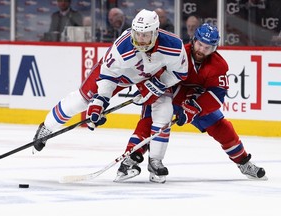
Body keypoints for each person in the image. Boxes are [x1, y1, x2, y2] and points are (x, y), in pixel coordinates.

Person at [33, 9, 189, 183]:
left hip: (152, 77)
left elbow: (180, 73)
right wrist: (99, 103)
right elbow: (107, 77)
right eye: (137, 34)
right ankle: (46, 127)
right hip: (119, 76)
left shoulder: (173, 45)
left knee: (164, 109)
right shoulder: (122, 46)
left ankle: (156, 161)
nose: (139, 39)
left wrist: (158, 85)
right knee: (80, 101)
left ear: (155, 32)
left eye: (145, 35)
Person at [115, 23, 267, 183]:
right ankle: (129, 160)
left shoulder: (219, 65)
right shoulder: (176, 52)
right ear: (193, 40)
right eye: (200, 44)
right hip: (167, 94)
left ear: (214, 48)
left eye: (207, 47)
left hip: (194, 101)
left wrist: (196, 108)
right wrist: (146, 87)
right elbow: (153, 72)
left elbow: (217, 95)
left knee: (223, 128)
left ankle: (244, 162)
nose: (202, 50)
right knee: (149, 122)